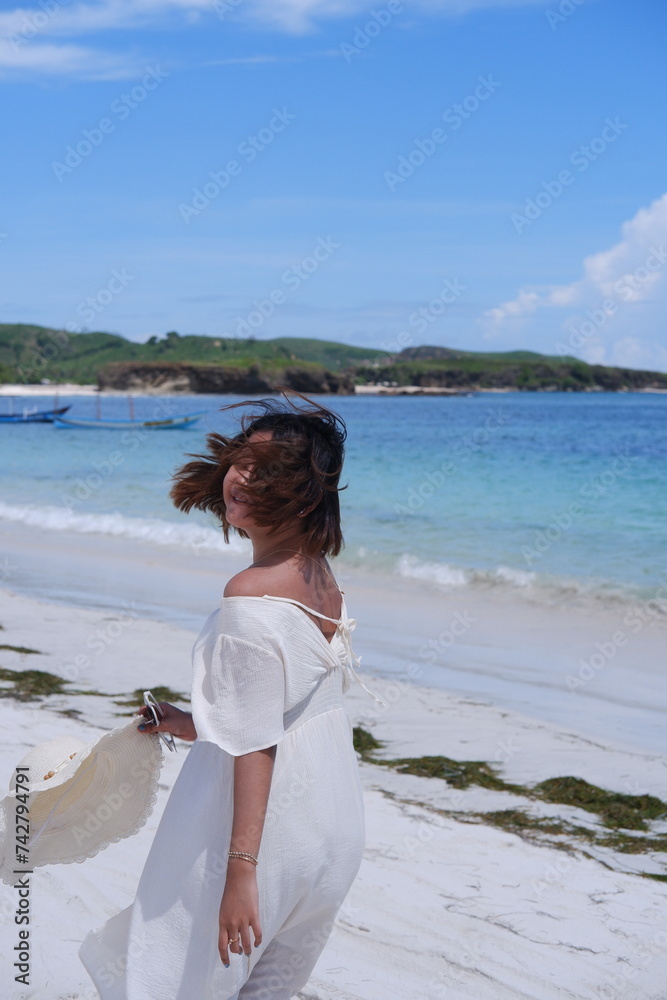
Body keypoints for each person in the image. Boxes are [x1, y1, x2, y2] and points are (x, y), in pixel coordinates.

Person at [79, 390, 374, 1000]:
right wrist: (194, 723)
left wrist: (241, 871)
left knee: (175, 981)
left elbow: (258, 744)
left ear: (303, 490)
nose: (241, 476)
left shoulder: (250, 593)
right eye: (241, 460)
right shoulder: (321, 577)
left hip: (260, 837)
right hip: (333, 827)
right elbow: (288, 705)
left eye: (266, 470)